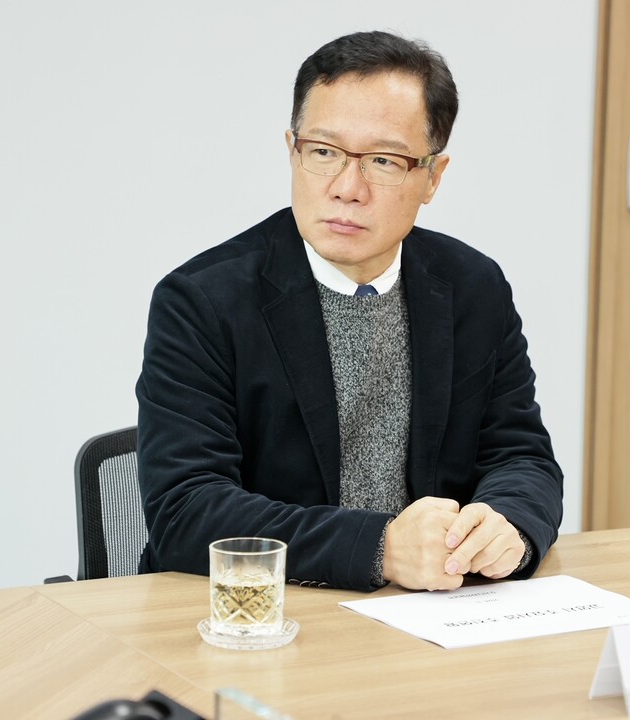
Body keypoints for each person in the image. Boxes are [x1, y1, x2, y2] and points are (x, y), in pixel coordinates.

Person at [136, 30, 562, 593]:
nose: (346, 187)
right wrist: (380, 548)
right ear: (292, 150)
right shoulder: (202, 301)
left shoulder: (472, 287)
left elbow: (521, 456)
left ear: (432, 177)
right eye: (323, 152)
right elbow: (187, 511)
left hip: (433, 610)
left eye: (383, 160)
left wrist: (509, 526)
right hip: (263, 610)